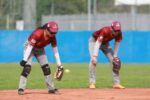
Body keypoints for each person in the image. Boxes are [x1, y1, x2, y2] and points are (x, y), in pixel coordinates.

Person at [18, 21, 64, 95]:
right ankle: (21, 88)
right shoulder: (37, 33)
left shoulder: (52, 37)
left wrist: (59, 64)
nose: (53, 34)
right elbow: (30, 47)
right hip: (29, 47)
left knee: (46, 68)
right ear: (46, 29)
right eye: (52, 32)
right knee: (27, 68)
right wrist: (24, 59)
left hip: (40, 49)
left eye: (55, 33)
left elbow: (55, 50)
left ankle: (51, 89)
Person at [88, 21, 125, 89]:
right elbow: (97, 43)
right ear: (111, 28)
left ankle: (116, 83)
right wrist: (94, 56)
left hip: (105, 43)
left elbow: (117, 44)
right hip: (94, 41)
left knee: (115, 62)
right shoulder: (105, 31)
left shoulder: (119, 33)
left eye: (118, 30)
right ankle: (92, 83)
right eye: (115, 30)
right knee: (93, 61)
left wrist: (115, 56)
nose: (117, 32)